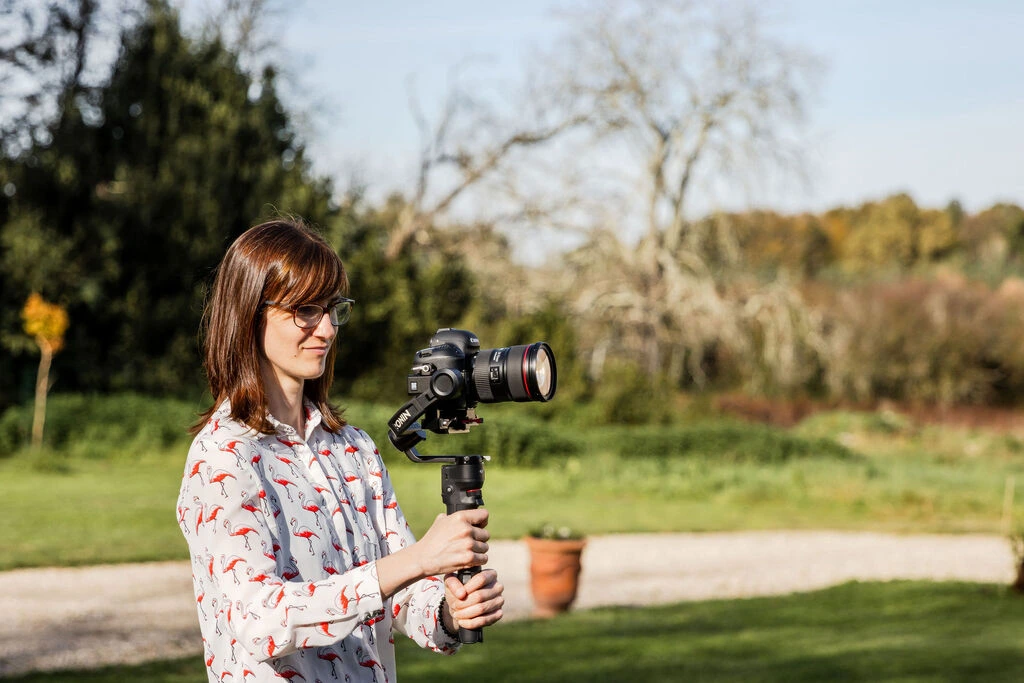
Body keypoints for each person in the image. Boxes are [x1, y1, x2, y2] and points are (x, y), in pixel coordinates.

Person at [176, 218, 504, 682]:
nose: (327, 329)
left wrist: (452, 608)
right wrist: (417, 560)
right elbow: (260, 620)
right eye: (306, 310)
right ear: (250, 313)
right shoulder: (223, 457)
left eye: (334, 309)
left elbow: (404, 596)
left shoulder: (355, 449)